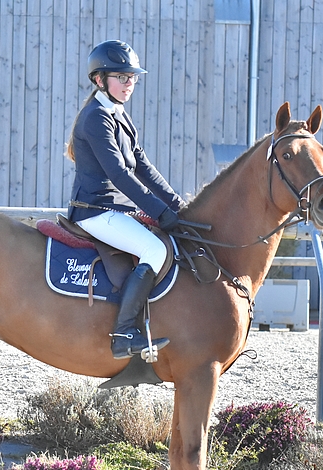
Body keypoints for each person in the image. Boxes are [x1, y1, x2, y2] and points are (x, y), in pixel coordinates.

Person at [66, 40, 186, 360]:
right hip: (95, 211)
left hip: (116, 209)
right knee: (155, 249)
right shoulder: (96, 118)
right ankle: (123, 334)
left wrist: (178, 207)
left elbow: (144, 168)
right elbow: (120, 175)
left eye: (132, 77)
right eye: (121, 77)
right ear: (99, 79)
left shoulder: (119, 115)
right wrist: (159, 212)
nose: (129, 83)